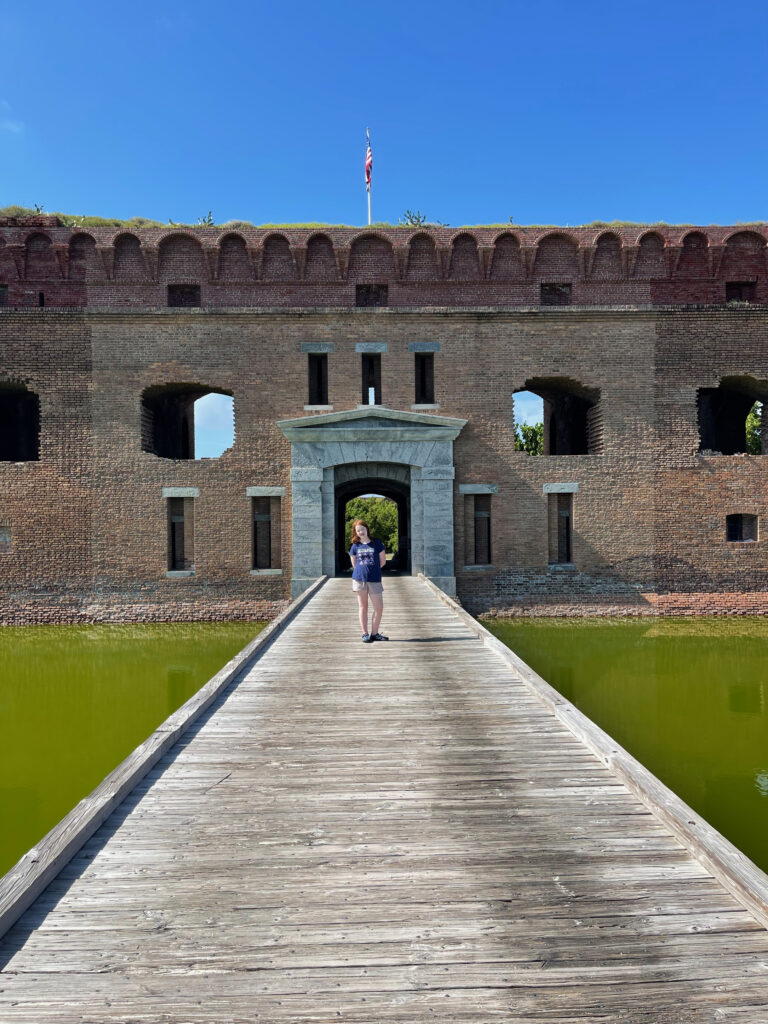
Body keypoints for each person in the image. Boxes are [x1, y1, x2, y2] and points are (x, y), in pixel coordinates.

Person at [349, 518, 389, 643]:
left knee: (379, 608)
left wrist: (373, 570)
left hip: (374, 579)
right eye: (358, 530)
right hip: (359, 580)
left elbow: (382, 562)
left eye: (362, 529)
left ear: (367, 529)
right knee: (363, 607)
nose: (361, 532)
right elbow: (354, 564)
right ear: (356, 533)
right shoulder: (355, 546)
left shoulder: (376, 543)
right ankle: (365, 634)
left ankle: (375, 633)